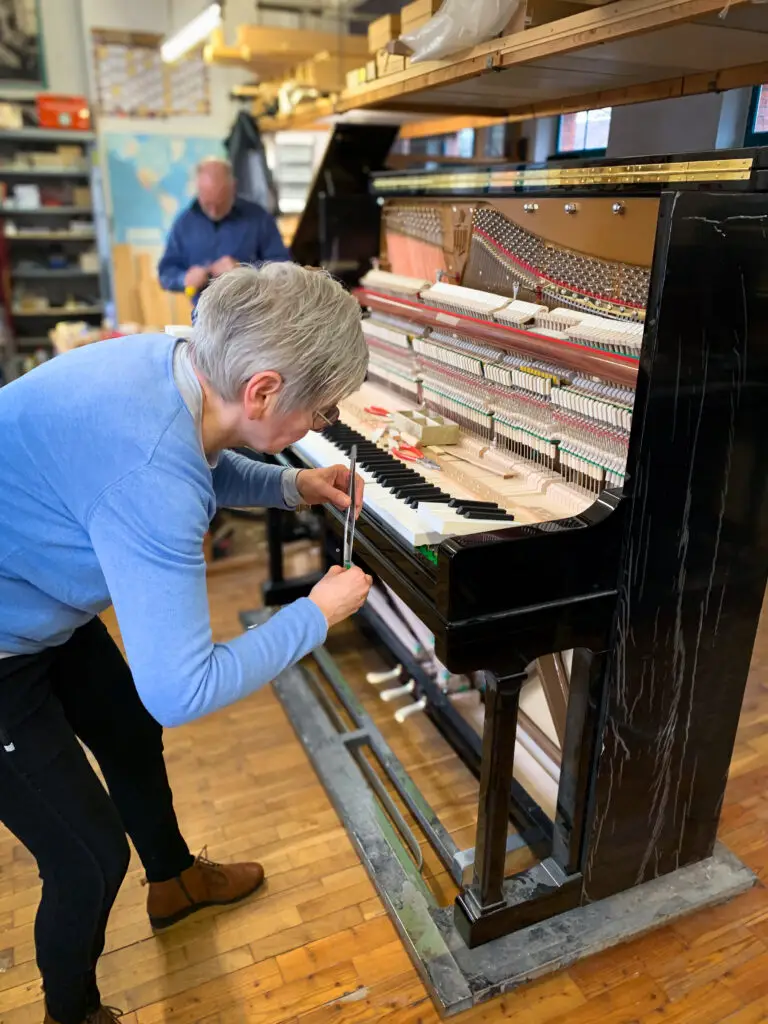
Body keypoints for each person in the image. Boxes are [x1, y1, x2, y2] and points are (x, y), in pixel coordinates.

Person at [0, 263, 372, 1024]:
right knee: (88, 858)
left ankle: (173, 881)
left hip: (30, 596)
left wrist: (289, 486)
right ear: (264, 390)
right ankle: (71, 1013)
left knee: (130, 731)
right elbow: (183, 686)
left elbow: (198, 455)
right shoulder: (152, 480)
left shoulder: (173, 364)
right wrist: (315, 613)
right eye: (319, 409)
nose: (318, 424)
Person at [158, 157, 290, 301]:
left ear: (233, 187)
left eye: (220, 203)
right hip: (202, 316)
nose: (214, 211)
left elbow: (283, 268)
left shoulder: (259, 218)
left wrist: (244, 271)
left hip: (252, 314)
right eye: (208, 204)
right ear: (198, 191)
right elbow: (165, 273)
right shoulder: (184, 223)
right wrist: (184, 278)